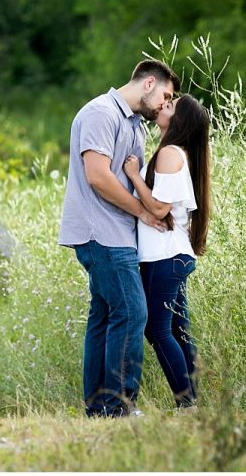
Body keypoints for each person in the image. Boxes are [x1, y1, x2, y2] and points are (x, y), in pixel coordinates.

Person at [59, 59, 180, 418]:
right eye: (165, 95)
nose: (165, 103)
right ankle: (120, 407)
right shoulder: (101, 113)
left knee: (105, 316)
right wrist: (142, 212)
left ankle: (99, 408)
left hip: (118, 234)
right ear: (148, 84)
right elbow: (97, 175)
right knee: (131, 312)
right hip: (102, 232)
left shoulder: (135, 125)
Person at [123, 94, 210, 409]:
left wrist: (133, 175)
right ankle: (193, 401)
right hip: (171, 255)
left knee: (157, 329)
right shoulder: (173, 153)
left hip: (165, 257)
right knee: (177, 328)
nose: (162, 106)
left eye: (170, 106)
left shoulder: (170, 153)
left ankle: (186, 402)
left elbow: (159, 208)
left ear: (178, 121)